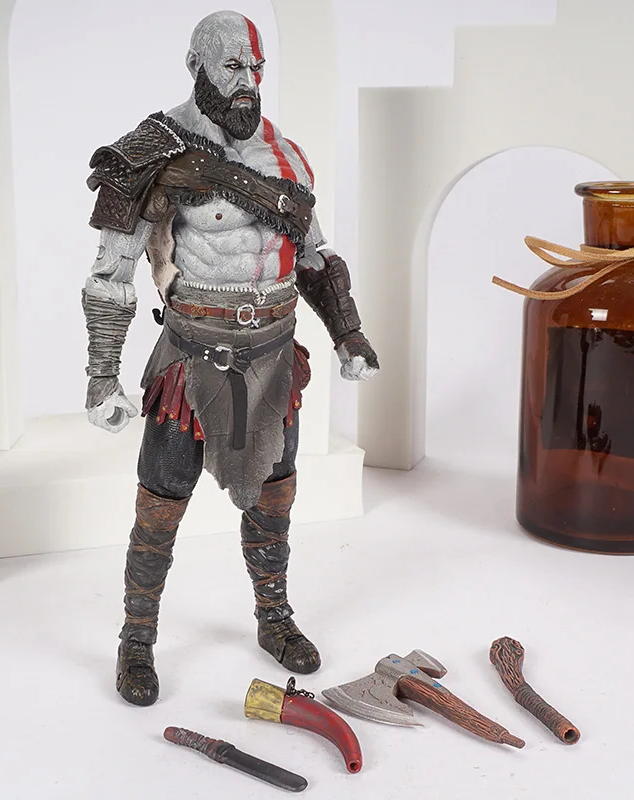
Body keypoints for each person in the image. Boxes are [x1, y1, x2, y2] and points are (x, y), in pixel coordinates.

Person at [82, 10, 379, 706]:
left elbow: (315, 258)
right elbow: (110, 274)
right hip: (191, 361)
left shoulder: (286, 157)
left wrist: (349, 334)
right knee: (160, 503)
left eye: (256, 68)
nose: (248, 82)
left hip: (273, 359)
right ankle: (136, 640)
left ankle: (274, 618)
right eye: (232, 67)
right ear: (196, 65)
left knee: (275, 497)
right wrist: (102, 377)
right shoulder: (148, 153)